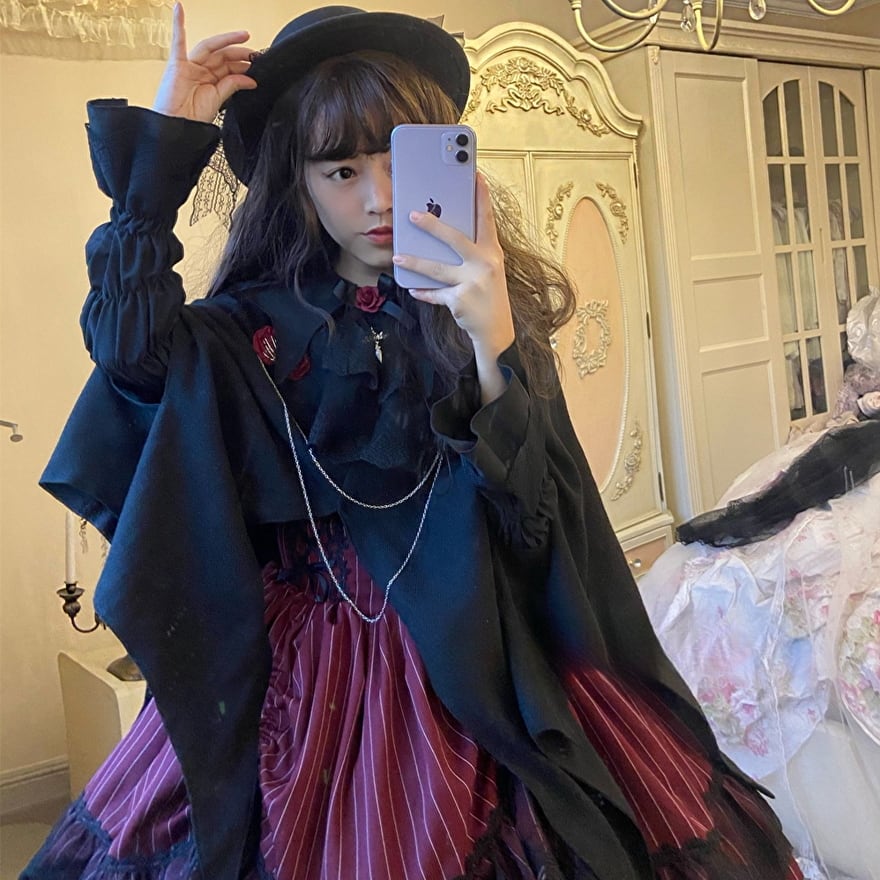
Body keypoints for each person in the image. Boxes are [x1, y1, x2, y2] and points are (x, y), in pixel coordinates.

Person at [25, 5, 803, 879]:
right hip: (295, 677)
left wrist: (493, 344)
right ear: (297, 182)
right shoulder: (242, 334)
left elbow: (535, 530)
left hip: (481, 648)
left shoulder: (486, 310)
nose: (381, 198)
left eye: (403, 159)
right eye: (342, 169)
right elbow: (128, 351)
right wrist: (161, 155)